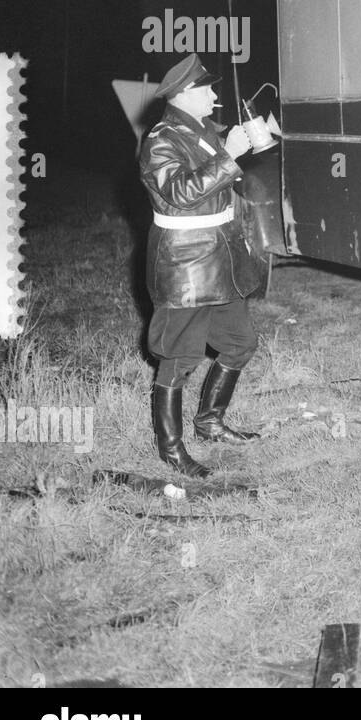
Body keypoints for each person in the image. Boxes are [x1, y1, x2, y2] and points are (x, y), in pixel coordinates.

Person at [139, 53, 262, 478]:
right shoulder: (159, 140)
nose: (214, 95)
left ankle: (209, 421)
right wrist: (229, 156)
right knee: (179, 356)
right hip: (187, 263)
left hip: (220, 257)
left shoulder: (202, 129)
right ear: (184, 95)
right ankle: (171, 450)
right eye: (207, 89)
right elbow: (180, 192)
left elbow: (215, 161)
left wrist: (251, 138)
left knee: (240, 342)